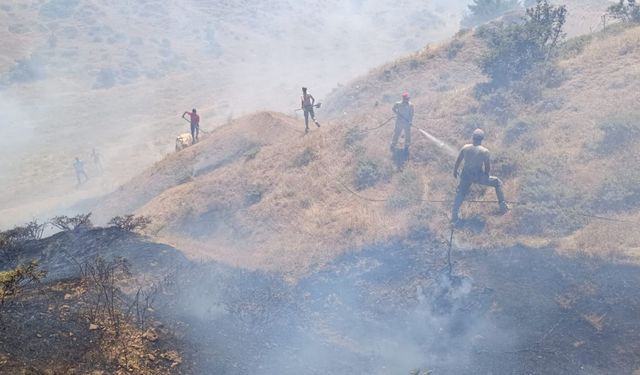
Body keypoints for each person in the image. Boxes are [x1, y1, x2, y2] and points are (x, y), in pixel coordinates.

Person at [451, 129, 508, 223]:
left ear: (472, 137)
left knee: (460, 193)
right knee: (497, 182)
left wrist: (455, 171)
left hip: (465, 176)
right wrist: (485, 177)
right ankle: (503, 207)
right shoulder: (485, 151)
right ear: (482, 139)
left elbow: (458, 161)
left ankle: (454, 217)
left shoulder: (465, 147)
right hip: (478, 176)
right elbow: (487, 167)